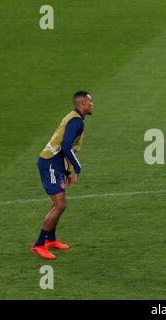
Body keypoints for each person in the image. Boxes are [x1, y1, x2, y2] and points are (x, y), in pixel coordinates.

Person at [31, 91, 94, 259]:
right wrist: (77, 167)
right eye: (90, 101)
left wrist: (66, 171)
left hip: (56, 164)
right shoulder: (76, 121)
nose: (92, 104)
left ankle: (50, 239)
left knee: (58, 204)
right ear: (82, 104)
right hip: (50, 164)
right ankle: (39, 244)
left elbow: (63, 147)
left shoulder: (74, 118)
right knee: (60, 204)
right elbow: (66, 146)